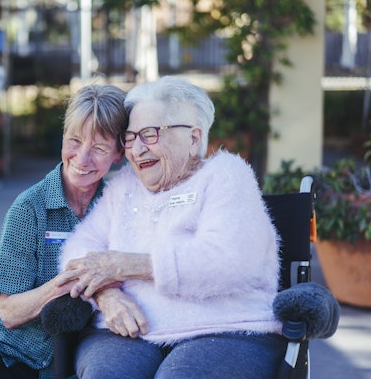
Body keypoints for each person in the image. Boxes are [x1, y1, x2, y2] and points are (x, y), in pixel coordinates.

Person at [59, 76, 286, 379]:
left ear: (194, 138)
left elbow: (228, 260)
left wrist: (125, 265)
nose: (137, 149)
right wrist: (107, 293)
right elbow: (77, 249)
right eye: (130, 137)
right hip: (129, 332)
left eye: (150, 134)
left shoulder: (226, 176)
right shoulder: (125, 186)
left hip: (225, 328)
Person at [0, 83, 129, 379]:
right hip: (15, 350)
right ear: (63, 137)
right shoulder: (29, 209)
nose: (82, 158)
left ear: (118, 153)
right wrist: (69, 281)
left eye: (99, 148)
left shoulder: (120, 207)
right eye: (74, 141)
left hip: (81, 352)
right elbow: (9, 314)